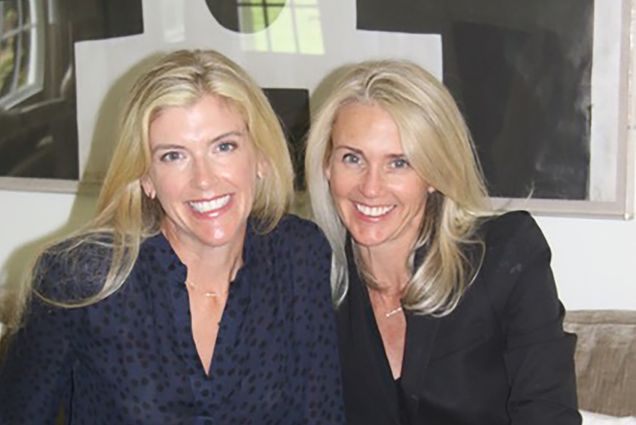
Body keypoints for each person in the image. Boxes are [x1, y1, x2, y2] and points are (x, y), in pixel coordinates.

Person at [0, 49, 345, 424]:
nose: (204, 180)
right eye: (173, 156)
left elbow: (322, 414)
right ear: (145, 177)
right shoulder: (79, 278)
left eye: (223, 147)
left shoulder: (299, 254)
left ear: (260, 157)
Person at [305, 59, 580, 425]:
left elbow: (549, 415)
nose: (370, 188)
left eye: (398, 163)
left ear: (434, 172)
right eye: (352, 158)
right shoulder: (307, 275)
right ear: (327, 165)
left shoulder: (505, 257)